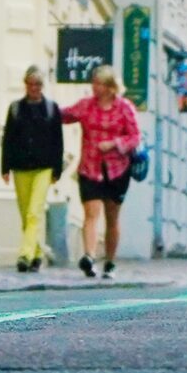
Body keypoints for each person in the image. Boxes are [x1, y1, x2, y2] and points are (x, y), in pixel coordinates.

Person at [60, 66, 141, 278]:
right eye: (93, 83)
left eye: (98, 83)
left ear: (110, 87)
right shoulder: (86, 106)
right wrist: (46, 109)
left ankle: (110, 262)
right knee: (91, 213)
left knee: (112, 217)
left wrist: (114, 143)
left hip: (117, 169)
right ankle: (89, 256)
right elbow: (66, 115)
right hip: (90, 167)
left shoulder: (125, 108)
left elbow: (134, 137)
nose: (94, 87)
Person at [0, 66, 65, 274]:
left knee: (34, 212)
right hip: (20, 166)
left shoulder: (51, 109)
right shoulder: (15, 109)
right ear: (25, 85)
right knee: (25, 212)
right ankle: (37, 254)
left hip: (43, 167)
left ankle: (24, 255)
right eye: (31, 84)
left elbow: (58, 141)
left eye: (38, 84)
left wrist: (57, 169)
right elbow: (7, 139)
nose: (34, 88)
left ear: (42, 86)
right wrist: (5, 167)